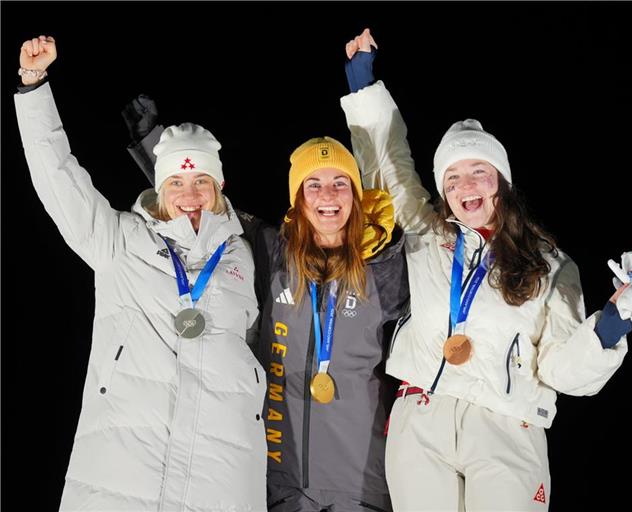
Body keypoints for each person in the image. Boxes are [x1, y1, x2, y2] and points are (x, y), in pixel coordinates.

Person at [340, 29, 632, 511]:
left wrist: (608, 328)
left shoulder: (551, 266)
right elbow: (389, 166)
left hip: (505, 426)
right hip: (422, 417)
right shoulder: (427, 234)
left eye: (479, 171)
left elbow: (563, 370)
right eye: (452, 176)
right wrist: (363, 85)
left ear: (501, 182)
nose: (465, 184)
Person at [122, 88, 409, 512]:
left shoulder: (384, 263)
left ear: (356, 195)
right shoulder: (272, 252)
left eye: (339, 183)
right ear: (297, 197)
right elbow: (200, 206)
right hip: (279, 480)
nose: (327, 195)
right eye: (313, 184)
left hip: (361, 483)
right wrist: (157, 148)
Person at [15, 36, 267, 511]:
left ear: (220, 186)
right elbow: (58, 176)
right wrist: (34, 88)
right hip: (122, 469)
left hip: (223, 475)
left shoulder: (245, 254)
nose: (189, 195)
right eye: (176, 182)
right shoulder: (120, 241)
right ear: (159, 186)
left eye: (200, 182)